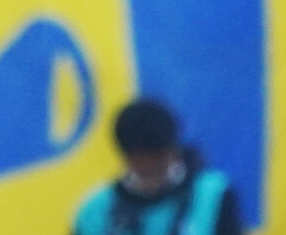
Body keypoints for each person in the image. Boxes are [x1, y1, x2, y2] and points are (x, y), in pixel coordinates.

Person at [72, 99, 243, 235]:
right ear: (126, 157)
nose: (151, 172)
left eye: (159, 162)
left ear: (174, 150)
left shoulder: (212, 195)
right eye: (142, 167)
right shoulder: (95, 211)